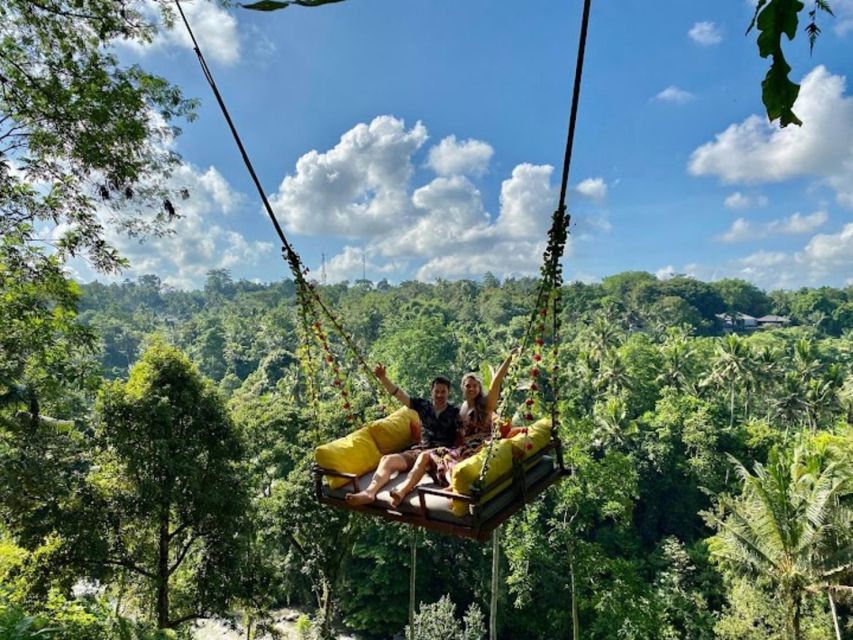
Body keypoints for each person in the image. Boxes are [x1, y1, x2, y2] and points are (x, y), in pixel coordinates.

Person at [389, 347, 518, 508]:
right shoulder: (461, 408)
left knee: (447, 458)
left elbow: (496, 383)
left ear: (479, 389)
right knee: (426, 456)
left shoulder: (485, 406)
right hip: (460, 448)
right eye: (467, 385)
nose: (471, 389)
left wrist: (509, 360)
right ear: (462, 388)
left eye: (474, 386)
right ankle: (402, 491)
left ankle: (455, 488)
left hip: (478, 448)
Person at [345, 364, 460, 506]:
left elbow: (469, 427)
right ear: (431, 391)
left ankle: (402, 490)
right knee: (388, 459)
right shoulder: (423, 405)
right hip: (420, 450)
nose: (440, 395)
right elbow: (399, 394)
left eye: (443, 392)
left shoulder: (455, 413)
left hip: (441, 454)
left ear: (449, 393)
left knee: (429, 460)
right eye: (437, 391)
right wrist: (382, 378)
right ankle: (369, 492)